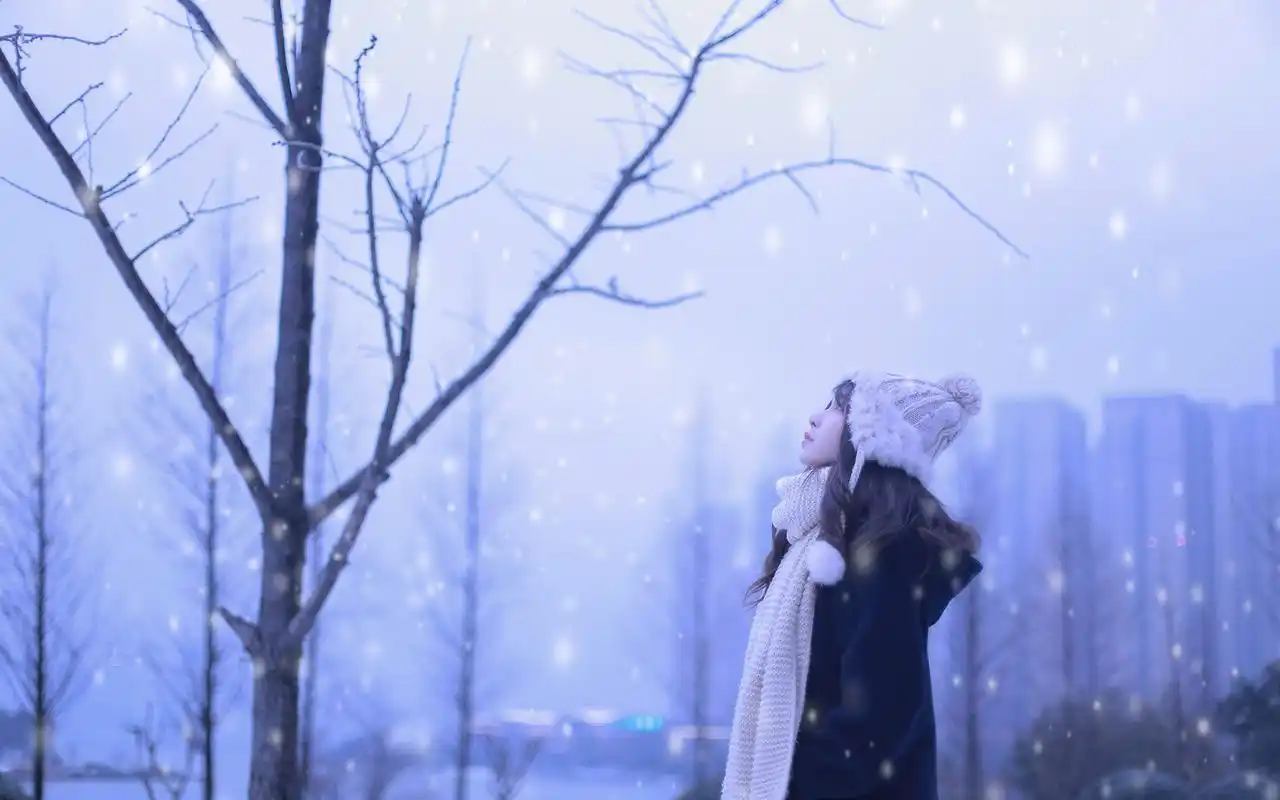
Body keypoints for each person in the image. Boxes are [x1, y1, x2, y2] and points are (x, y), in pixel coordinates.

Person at [722, 371, 985, 800]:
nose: (815, 417)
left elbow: (881, 713)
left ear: (871, 439)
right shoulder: (817, 540)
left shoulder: (884, 557)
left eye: (837, 409)